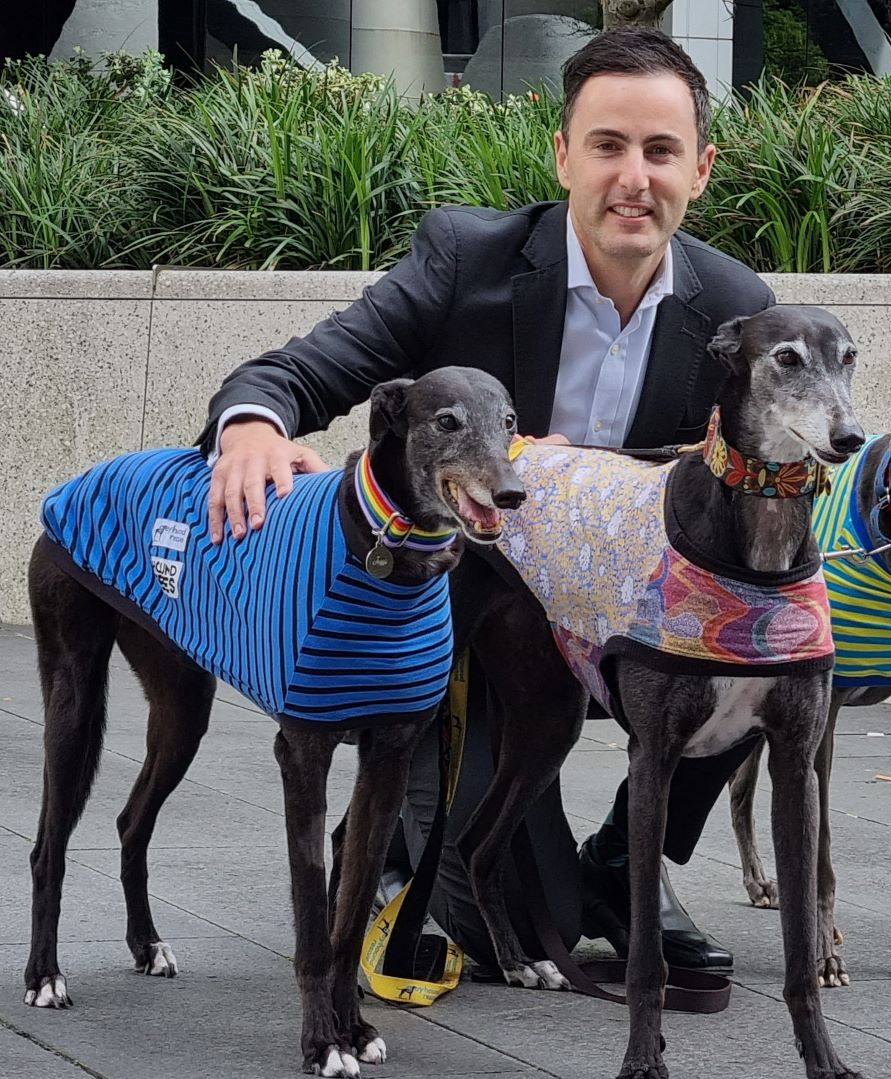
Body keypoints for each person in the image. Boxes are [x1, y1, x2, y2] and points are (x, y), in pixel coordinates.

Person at [198, 27, 772, 977]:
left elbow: (746, 477)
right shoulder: (469, 257)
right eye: (608, 145)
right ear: (562, 154)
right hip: (453, 624)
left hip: (614, 621)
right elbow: (300, 369)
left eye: (661, 151)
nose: (635, 177)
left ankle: (629, 858)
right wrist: (252, 423)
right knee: (522, 918)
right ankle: (384, 842)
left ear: (701, 169)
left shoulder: (734, 306)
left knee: (769, 627)